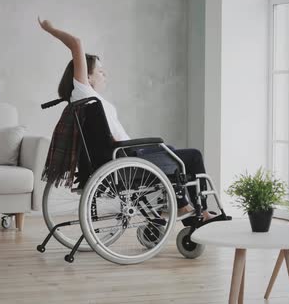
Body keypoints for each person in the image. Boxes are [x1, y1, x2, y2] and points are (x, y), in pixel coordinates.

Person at [38, 17, 212, 220]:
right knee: (192, 156)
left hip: (123, 157)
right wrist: (50, 29)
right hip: (124, 159)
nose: (105, 75)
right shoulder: (83, 92)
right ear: (87, 77)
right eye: (100, 71)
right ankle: (203, 212)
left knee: (171, 152)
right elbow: (76, 43)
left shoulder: (88, 100)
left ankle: (183, 206)